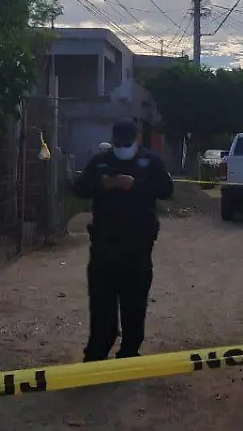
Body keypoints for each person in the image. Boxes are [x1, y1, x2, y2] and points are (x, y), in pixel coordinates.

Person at [71, 120, 174, 361]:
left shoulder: (151, 161)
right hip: (104, 245)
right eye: (118, 144)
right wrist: (101, 184)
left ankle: (129, 352)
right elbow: (79, 188)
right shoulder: (100, 161)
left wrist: (136, 185)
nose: (122, 148)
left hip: (138, 246)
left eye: (127, 144)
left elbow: (166, 190)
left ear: (137, 139)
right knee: (101, 303)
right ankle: (96, 354)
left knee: (134, 304)